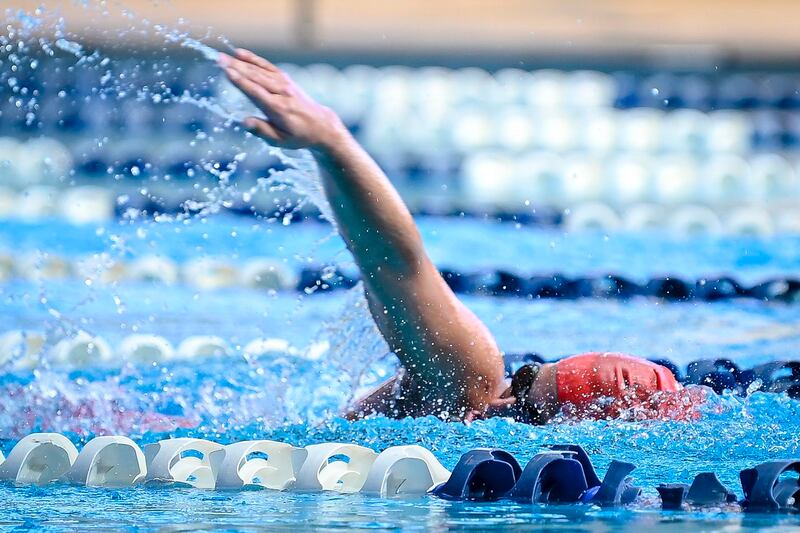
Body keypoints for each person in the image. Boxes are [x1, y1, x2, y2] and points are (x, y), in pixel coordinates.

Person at [218, 50, 700, 424]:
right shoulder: (471, 381)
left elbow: (396, 267)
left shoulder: (472, 398)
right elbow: (395, 264)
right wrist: (333, 143)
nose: (635, 379)